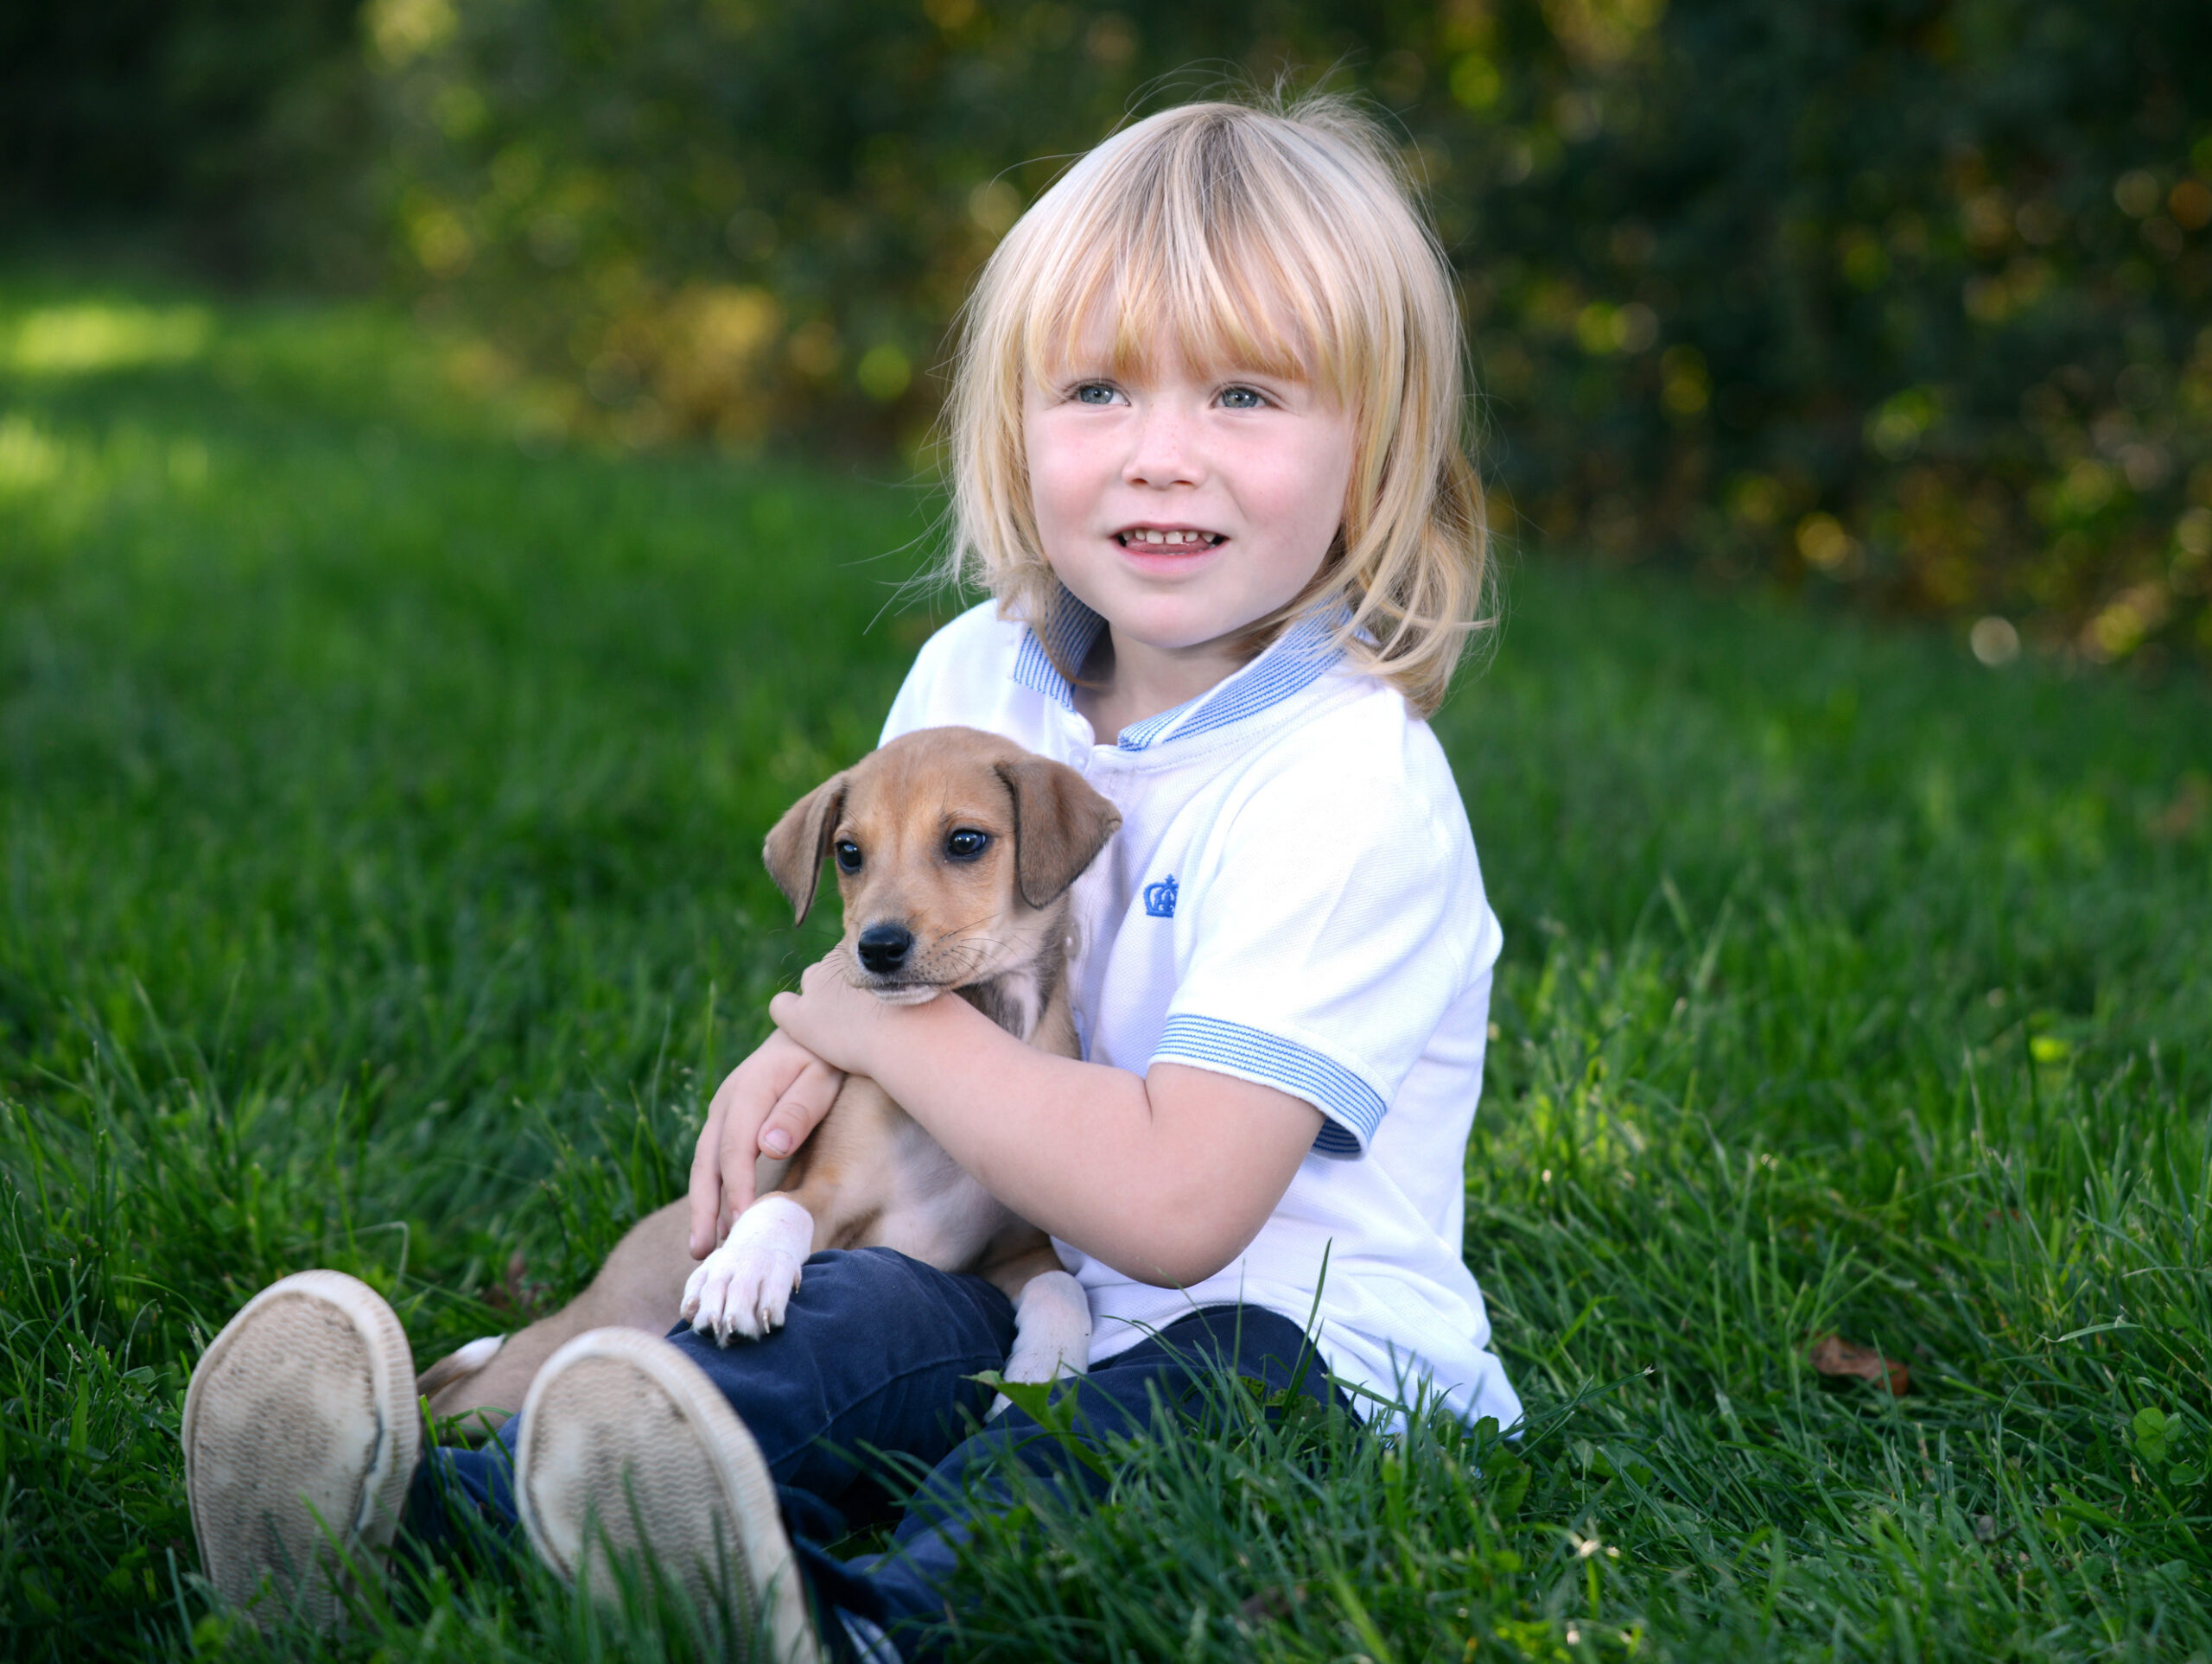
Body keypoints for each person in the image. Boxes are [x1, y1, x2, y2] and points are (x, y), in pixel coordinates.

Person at [181, 92, 1522, 1661]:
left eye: (1244, 394)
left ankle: (848, 1625)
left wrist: (876, 1028)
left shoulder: (1346, 780)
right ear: (1013, 427)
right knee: (838, 1317)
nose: (1165, 456)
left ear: (1378, 445)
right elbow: (888, 945)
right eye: (1096, 389)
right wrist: (808, 1041)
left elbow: (1174, 1204)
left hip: (1295, 1349)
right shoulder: (983, 674)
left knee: (1167, 1407)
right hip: (996, 1270)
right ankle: (439, 1522)